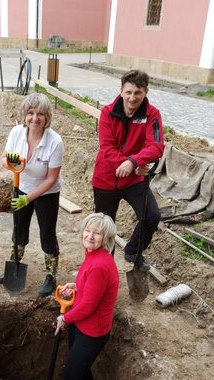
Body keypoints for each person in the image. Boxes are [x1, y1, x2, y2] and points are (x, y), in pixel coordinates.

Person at [92, 69, 164, 270]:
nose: (132, 98)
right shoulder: (107, 113)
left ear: (146, 92)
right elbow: (107, 148)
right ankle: (105, 267)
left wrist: (133, 162)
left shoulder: (152, 115)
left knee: (151, 216)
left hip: (134, 181)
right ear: (121, 91)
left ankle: (133, 251)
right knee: (105, 227)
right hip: (106, 179)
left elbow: (157, 146)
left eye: (138, 93)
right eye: (129, 92)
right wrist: (133, 166)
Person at [0, 92, 64, 297]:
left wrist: (29, 198)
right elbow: (3, 158)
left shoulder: (55, 142)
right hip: (21, 187)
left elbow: (51, 178)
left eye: (41, 114)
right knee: (18, 229)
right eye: (31, 113)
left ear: (47, 118)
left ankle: (51, 276)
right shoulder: (17, 133)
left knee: (47, 234)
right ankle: (14, 264)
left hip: (46, 192)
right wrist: (10, 163)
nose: (35, 118)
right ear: (25, 114)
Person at [55, 212, 119, 380]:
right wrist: (76, 286)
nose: (90, 236)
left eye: (97, 233)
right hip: (81, 325)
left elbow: (88, 307)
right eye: (87, 230)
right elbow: (92, 289)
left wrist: (64, 318)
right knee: (80, 374)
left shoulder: (100, 265)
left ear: (105, 238)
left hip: (92, 332)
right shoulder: (93, 255)